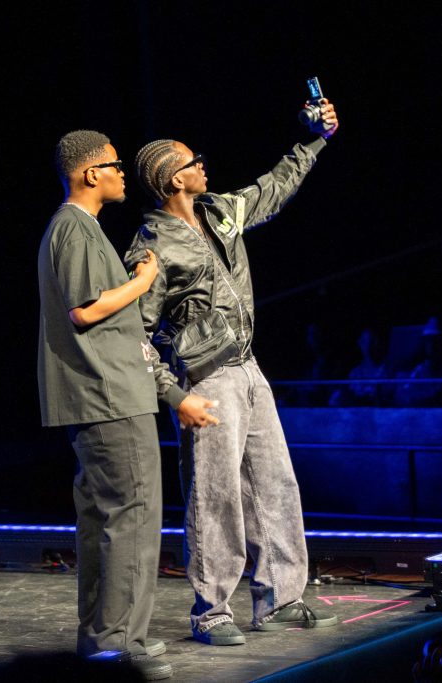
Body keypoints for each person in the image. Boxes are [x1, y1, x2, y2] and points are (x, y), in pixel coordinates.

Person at [123, 96, 341, 647]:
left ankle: (280, 599)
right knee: (214, 496)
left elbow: (272, 187)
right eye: (192, 161)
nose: (202, 164)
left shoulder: (220, 211)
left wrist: (313, 141)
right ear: (174, 179)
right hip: (208, 379)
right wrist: (175, 395)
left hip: (249, 368)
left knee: (275, 484)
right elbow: (134, 334)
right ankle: (211, 612)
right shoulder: (152, 245)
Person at [37, 130, 217, 681]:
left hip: (104, 395)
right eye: (114, 165)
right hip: (109, 397)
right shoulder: (74, 228)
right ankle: (117, 646)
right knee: (131, 523)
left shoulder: (77, 230)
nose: (121, 174)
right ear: (91, 173)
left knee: (106, 524)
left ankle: (104, 641)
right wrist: (143, 280)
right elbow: (86, 311)